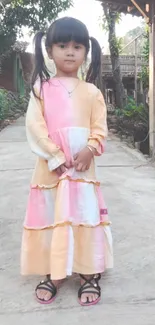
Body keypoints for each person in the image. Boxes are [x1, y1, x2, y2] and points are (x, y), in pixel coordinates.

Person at [21, 17, 113, 307]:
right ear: (49, 50)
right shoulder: (41, 89)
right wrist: (55, 156)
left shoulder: (93, 92)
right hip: (52, 169)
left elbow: (99, 128)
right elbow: (35, 127)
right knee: (52, 217)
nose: (70, 52)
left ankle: (88, 271)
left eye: (77, 46)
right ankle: (56, 271)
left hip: (82, 169)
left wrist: (89, 148)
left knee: (84, 216)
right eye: (62, 45)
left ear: (87, 51)